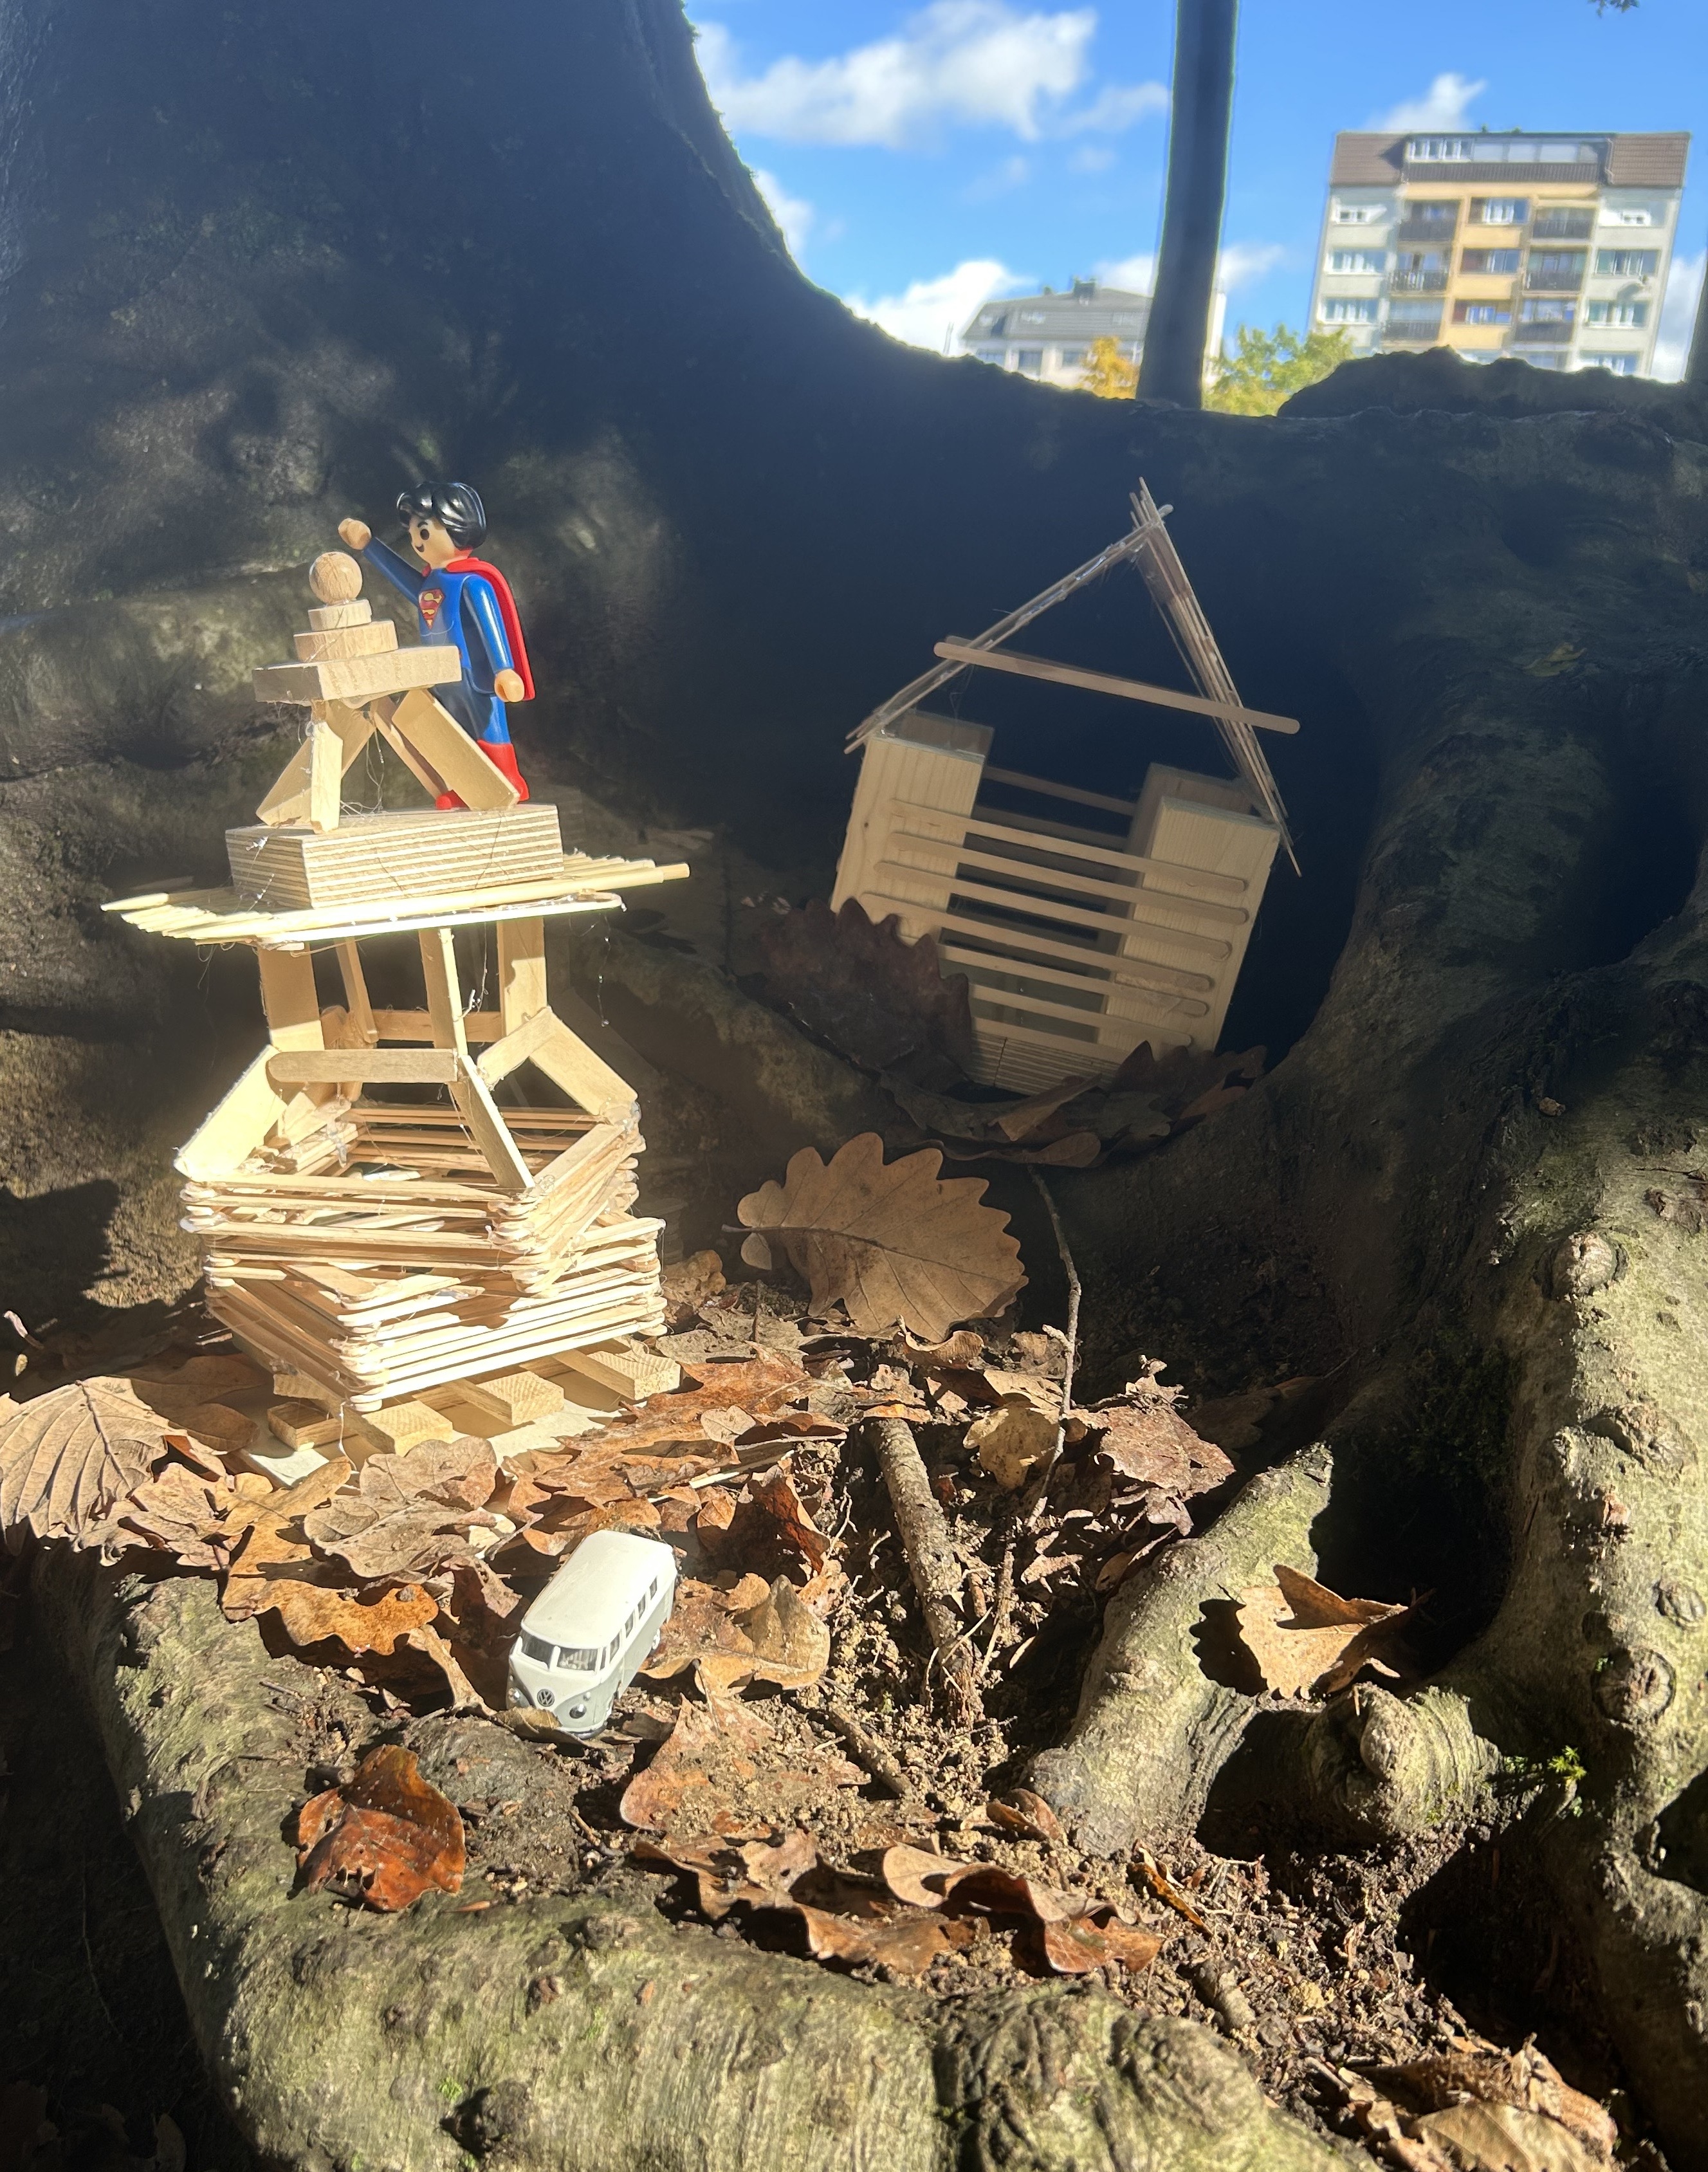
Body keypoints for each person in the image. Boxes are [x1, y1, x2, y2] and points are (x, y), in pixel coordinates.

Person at [338, 481, 532, 804]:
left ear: (458, 527)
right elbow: (401, 576)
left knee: (487, 727)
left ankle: (509, 782)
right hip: (442, 675)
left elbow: (492, 627)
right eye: (414, 534)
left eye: (424, 532)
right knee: (455, 734)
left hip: (474, 675)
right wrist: (369, 546)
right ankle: (470, 787)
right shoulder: (429, 584)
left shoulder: (473, 583)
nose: (417, 542)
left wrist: (504, 669)